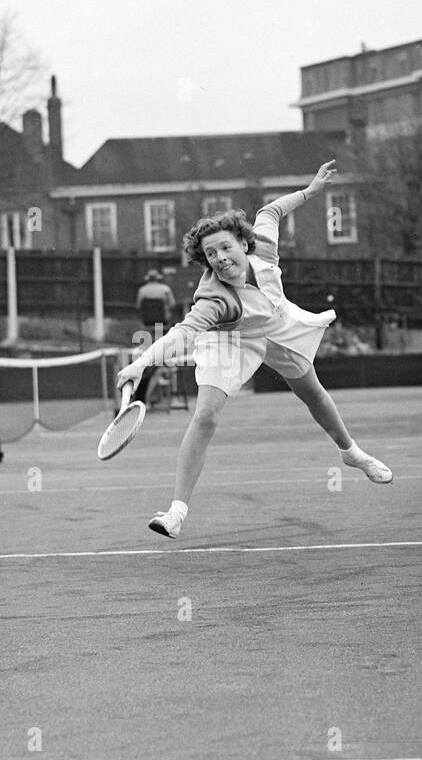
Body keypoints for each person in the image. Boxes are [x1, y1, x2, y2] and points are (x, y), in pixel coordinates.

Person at [115, 160, 392, 539]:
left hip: (277, 323)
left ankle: (350, 452)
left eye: (226, 247)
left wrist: (310, 192)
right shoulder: (214, 299)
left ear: (244, 244)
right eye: (211, 254)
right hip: (229, 339)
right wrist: (141, 363)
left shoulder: (263, 245)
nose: (220, 257)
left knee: (312, 393)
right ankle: (176, 512)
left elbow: (270, 210)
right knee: (206, 416)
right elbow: (183, 332)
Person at [133, 270, 177, 405]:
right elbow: (173, 304)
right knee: (165, 362)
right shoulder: (165, 289)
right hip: (162, 326)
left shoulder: (142, 290)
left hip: (147, 327)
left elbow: (138, 306)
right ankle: (167, 395)